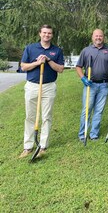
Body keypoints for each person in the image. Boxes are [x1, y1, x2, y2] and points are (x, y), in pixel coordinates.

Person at [19, 25, 64, 158]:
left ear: (52, 35)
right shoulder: (30, 48)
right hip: (32, 85)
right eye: (44, 33)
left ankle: (43, 145)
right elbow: (23, 66)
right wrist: (37, 63)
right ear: (40, 33)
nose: (46, 35)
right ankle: (28, 146)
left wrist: (49, 60)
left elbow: (60, 69)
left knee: (46, 117)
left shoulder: (57, 51)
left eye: (49, 33)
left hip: (48, 86)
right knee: (30, 117)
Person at [76, 29, 108, 142]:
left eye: (100, 36)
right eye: (96, 36)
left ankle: (94, 134)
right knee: (87, 110)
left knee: (99, 111)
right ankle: (82, 134)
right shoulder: (86, 51)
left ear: (103, 37)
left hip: (104, 85)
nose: (98, 38)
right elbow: (78, 66)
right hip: (90, 84)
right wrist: (83, 78)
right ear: (92, 37)